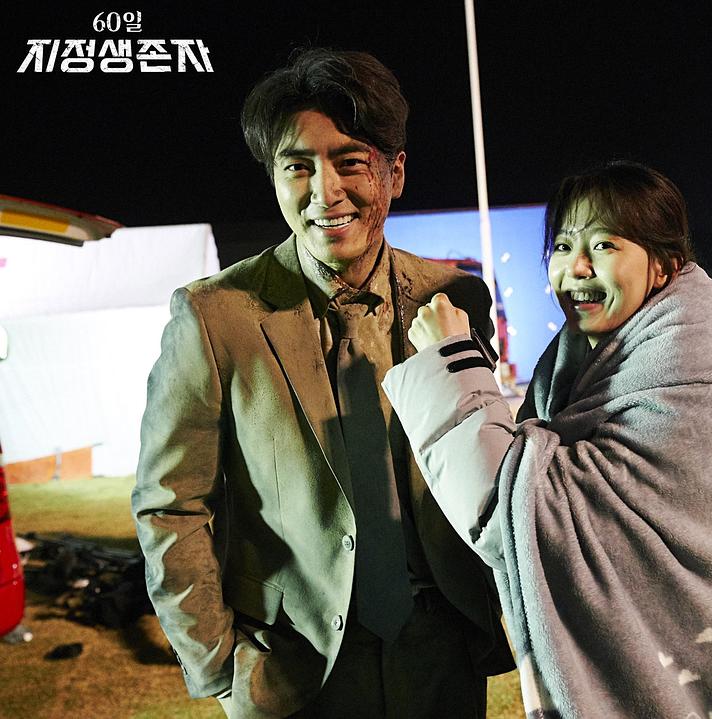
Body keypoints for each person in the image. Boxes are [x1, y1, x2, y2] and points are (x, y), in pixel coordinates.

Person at [383, 161, 712, 718]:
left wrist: (449, 362)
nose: (575, 267)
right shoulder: (579, 362)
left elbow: (516, 509)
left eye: (604, 245)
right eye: (563, 246)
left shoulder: (692, 368)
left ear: (664, 264)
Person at [132, 48, 513, 718]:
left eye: (349, 161)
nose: (324, 191)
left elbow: (488, 461)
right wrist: (219, 664)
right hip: (293, 669)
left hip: (443, 659)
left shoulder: (457, 297)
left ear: (395, 171)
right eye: (298, 166)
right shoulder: (215, 316)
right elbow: (171, 504)